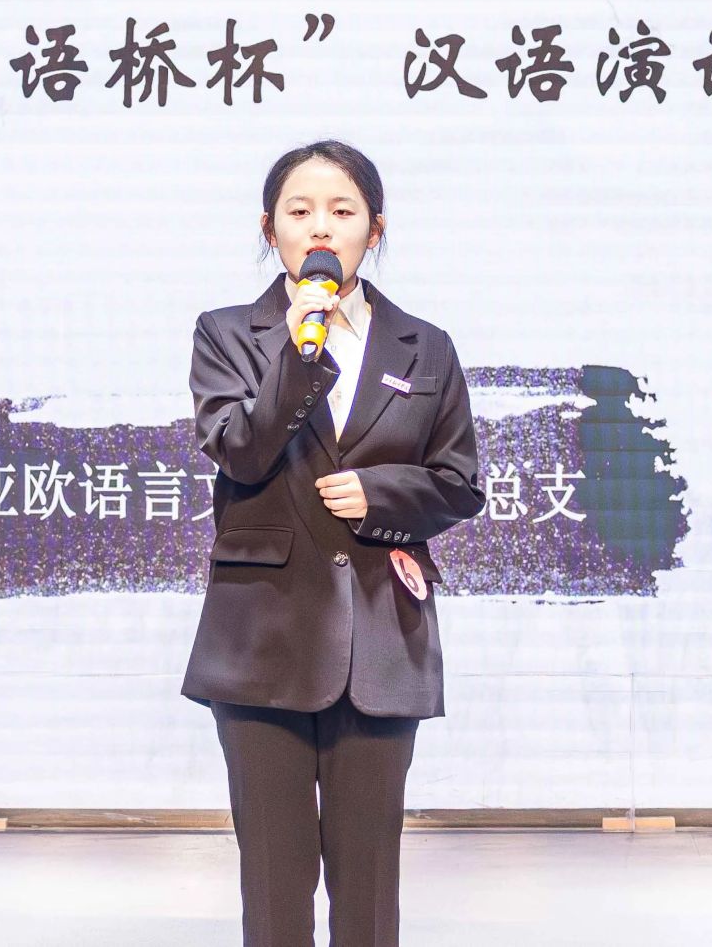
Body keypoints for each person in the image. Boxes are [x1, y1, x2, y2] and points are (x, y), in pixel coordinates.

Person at [181, 138, 487, 947]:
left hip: (382, 637)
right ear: (271, 229)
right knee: (274, 885)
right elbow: (239, 450)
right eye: (301, 211)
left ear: (374, 230)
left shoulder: (426, 345)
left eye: (342, 211)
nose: (321, 227)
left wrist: (383, 495)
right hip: (261, 638)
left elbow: (461, 483)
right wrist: (296, 349)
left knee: (369, 888)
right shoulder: (228, 334)